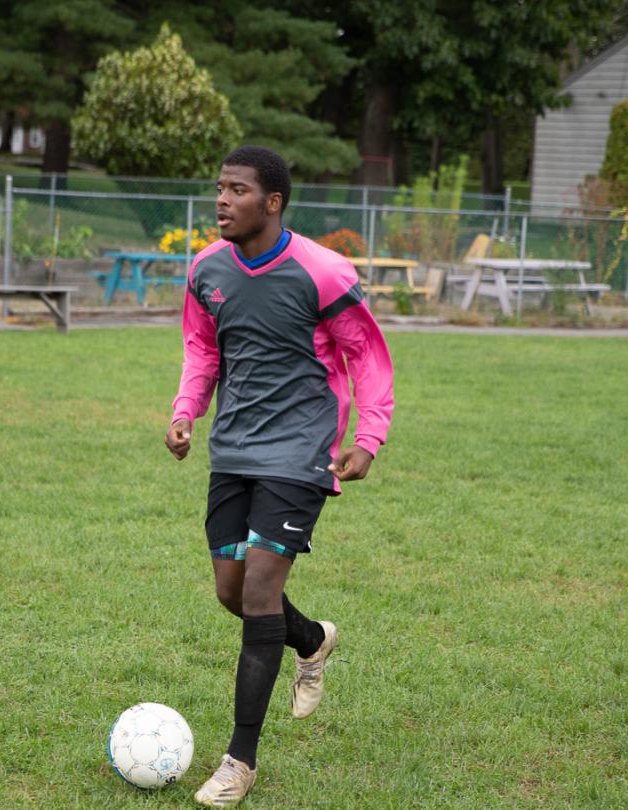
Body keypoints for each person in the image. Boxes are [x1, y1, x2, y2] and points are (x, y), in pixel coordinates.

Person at [165, 145, 394, 807]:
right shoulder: (207, 269)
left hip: (300, 453)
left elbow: (367, 359)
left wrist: (368, 437)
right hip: (232, 448)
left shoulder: (322, 272)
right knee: (231, 593)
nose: (222, 200)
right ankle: (313, 640)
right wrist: (186, 412)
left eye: (237, 190)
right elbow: (202, 348)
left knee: (261, 591)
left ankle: (239, 760)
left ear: (272, 202)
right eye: (220, 188)